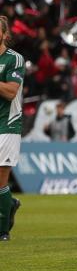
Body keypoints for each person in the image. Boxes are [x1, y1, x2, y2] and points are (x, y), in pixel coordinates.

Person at [0, 16, 24, 242]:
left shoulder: (14, 60)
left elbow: (10, 92)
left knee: (0, 179)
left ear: (4, 34)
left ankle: (3, 230)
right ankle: (11, 203)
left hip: (7, 124)